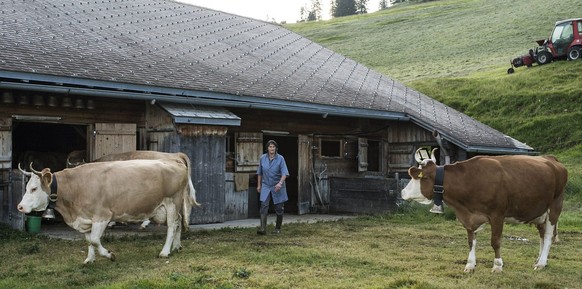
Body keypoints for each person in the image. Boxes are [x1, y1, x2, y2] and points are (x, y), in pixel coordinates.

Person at [256, 140, 289, 235]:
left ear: (276, 148)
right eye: (270, 147)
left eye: (273, 147)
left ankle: (277, 228)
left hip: (277, 185)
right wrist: (259, 185)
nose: (272, 148)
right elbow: (259, 173)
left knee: (279, 208)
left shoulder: (280, 158)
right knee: (263, 205)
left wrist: (280, 183)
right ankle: (262, 228)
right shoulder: (263, 158)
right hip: (266, 185)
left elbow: (285, 173)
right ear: (267, 148)